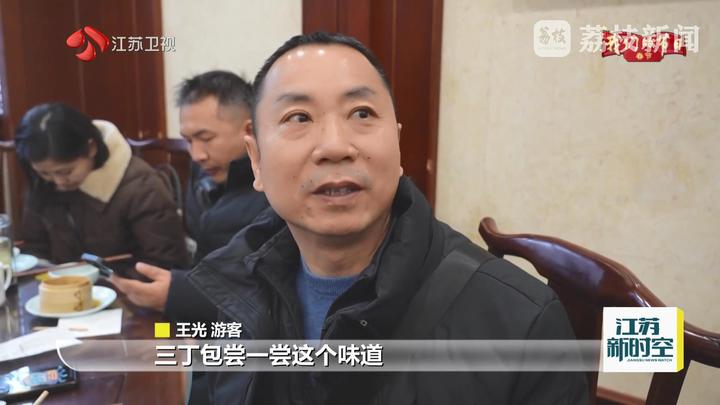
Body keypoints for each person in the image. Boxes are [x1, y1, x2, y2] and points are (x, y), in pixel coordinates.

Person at [185, 32, 589, 404]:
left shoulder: (523, 324)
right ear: (256, 160)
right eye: (299, 117)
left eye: (361, 113)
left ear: (396, 144)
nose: (335, 146)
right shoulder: (238, 284)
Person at [110, 71, 269, 320]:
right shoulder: (205, 170)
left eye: (206, 138)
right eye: (188, 140)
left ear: (249, 129)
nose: (196, 155)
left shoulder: (275, 190)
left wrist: (179, 294)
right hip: (198, 315)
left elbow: (265, 293)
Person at [15, 103, 188, 269]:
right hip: (59, 285)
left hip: (126, 286)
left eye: (66, 171)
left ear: (91, 148)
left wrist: (106, 281)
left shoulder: (141, 187)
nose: (58, 182)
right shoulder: (42, 184)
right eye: (45, 173)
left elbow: (165, 263)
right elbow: (35, 248)